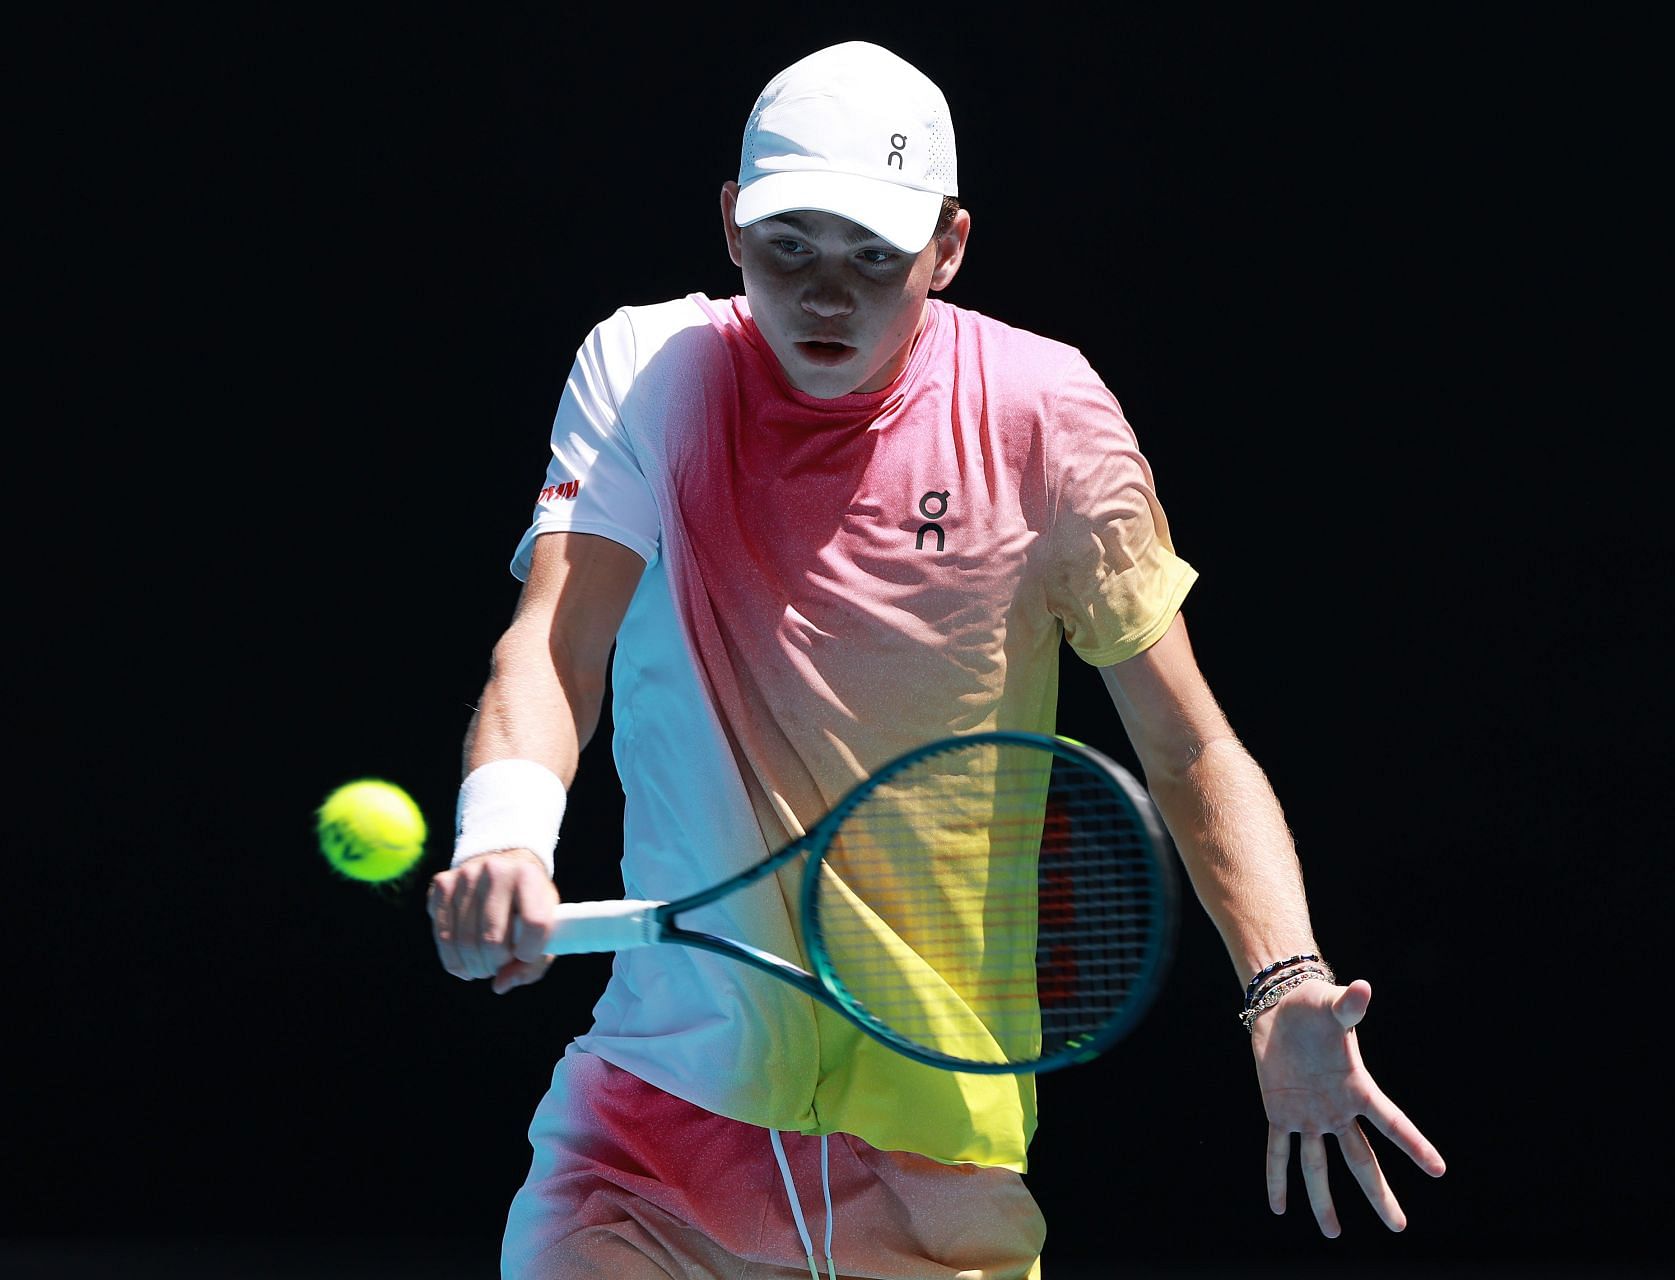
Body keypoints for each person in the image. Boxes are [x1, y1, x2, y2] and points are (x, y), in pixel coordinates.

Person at [427, 39, 1445, 1280]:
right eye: (790, 246)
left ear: (949, 249)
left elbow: (1189, 744)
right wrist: (506, 836)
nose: (826, 297)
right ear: (732, 228)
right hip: (650, 1135)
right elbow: (555, 641)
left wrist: (1284, 980)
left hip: (936, 1169)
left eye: (875, 258)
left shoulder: (1045, 416)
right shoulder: (652, 374)